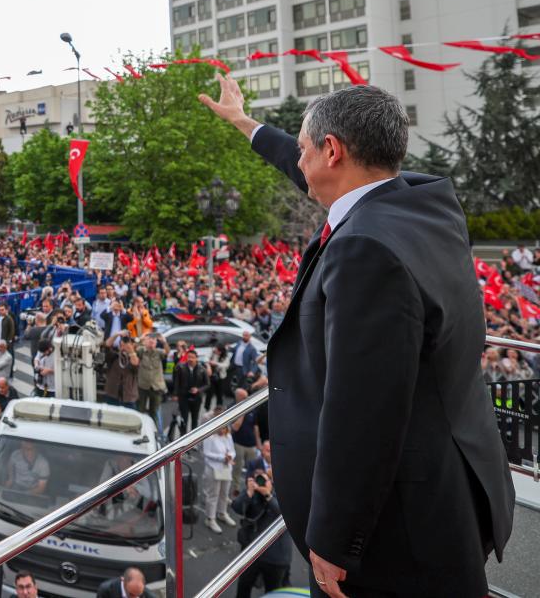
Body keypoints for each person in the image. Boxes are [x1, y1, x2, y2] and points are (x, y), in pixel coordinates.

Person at [203, 77, 515, 596]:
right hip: (453, 488)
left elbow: (362, 412)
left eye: (305, 151)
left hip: (398, 529)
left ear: (332, 151)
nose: (297, 164)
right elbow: (307, 166)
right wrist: (243, 123)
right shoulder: (425, 203)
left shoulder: (364, 250)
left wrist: (334, 537)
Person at [231, 471, 292, 598]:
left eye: (266, 479)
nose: (262, 483)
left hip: (275, 557)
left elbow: (286, 517)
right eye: (259, 479)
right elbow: (236, 507)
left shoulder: (283, 493)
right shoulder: (253, 493)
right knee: (243, 586)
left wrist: (268, 496)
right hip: (252, 552)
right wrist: (248, 493)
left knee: (273, 592)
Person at [201, 413, 236, 534]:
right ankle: (210, 518)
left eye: (225, 427)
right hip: (213, 469)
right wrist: (222, 458)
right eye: (221, 427)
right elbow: (207, 453)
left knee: (224, 492)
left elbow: (232, 450)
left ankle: (222, 513)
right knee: (213, 494)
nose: (223, 430)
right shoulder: (209, 437)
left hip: (226, 468)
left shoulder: (228, 436)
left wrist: (230, 456)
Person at [171, 350, 205, 435]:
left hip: (196, 397)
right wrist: (175, 394)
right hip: (183, 397)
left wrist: (198, 390)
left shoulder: (201, 369)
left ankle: (193, 438)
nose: (190, 359)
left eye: (192, 357)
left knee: (195, 418)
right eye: (188, 357)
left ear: (196, 358)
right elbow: (176, 382)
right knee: (184, 419)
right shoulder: (181, 368)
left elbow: (207, 384)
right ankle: (183, 438)